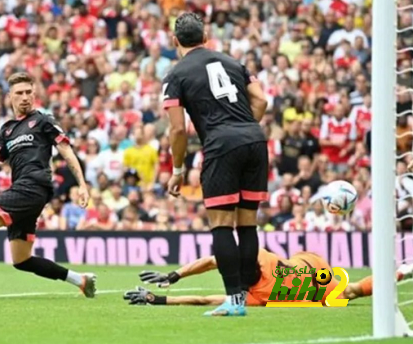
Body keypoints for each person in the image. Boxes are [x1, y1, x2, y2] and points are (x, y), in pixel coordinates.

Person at [0, 72, 97, 299]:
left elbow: (66, 150)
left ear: (34, 93)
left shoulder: (44, 120)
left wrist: (82, 184)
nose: (25, 97)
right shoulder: (7, 130)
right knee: (22, 260)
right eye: (19, 93)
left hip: (33, 185)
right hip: (26, 190)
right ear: (10, 97)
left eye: (28, 92)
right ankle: (81, 280)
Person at [162, 13, 269, 316]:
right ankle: (247, 292)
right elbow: (261, 101)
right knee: (247, 223)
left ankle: (235, 301)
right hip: (254, 140)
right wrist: (244, 129)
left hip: (221, 145)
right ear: (206, 37)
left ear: (175, 41)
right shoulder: (234, 63)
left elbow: (178, 129)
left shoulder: (176, 74)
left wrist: (179, 170)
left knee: (221, 224)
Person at [123, 248, 413, 307]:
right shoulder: (262, 257)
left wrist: (159, 298)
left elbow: (203, 299)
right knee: (350, 289)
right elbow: (213, 261)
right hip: (309, 262)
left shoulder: (256, 298)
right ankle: (400, 270)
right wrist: (173, 276)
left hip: (316, 284)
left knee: (350, 293)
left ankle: (400, 271)